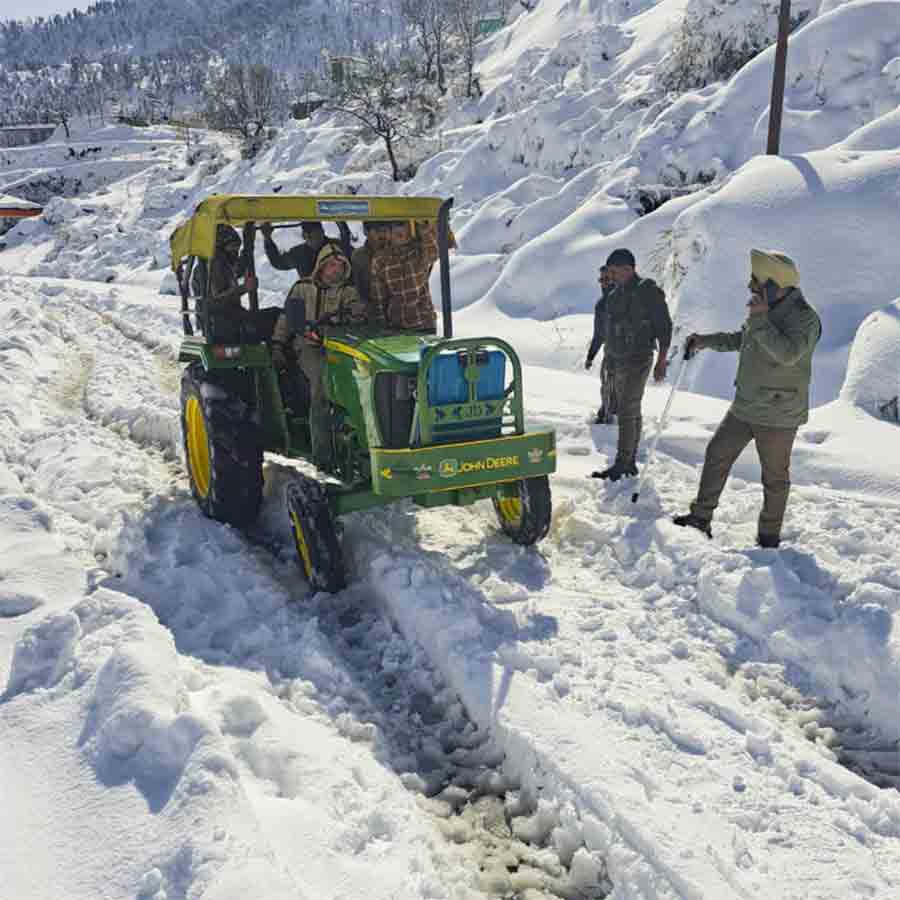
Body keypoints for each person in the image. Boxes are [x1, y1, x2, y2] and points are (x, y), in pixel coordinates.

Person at [673, 249, 822, 548]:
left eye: (756, 280)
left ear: (772, 284)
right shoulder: (765, 311)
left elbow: (788, 354)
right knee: (717, 453)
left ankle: (769, 538)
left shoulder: (805, 319)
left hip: (778, 414)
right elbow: (743, 340)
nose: (750, 285)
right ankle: (700, 518)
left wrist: (760, 319)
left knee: (774, 478)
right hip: (747, 406)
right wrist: (706, 341)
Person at [271, 244, 366, 469]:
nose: (336, 270)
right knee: (323, 384)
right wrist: (277, 345)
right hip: (308, 346)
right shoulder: (302, 288)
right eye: (332, 265)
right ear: (322, 265)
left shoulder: (348, 292)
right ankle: (323, 457)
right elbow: (287, 319)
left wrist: (358, 312)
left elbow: (358, 317)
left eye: (341, 266)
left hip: (340, 346)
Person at [586, 248, 672, 481]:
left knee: (627, 408)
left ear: (628, 269)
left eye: (614, 271)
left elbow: (664, 327)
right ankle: (628, 460)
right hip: (619, 360)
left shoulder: (648, 291)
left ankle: (624, 463)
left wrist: (662, 360)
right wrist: (609, 363)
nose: (610, 276)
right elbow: (609, 332)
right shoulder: (614, 296)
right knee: (630, 408)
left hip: (640, 358)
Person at [207, 224, 280, 341]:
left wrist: (249, 241)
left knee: (276, 316)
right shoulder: (215, 265)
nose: (235, 252)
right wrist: (245, 288)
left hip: (234, 318)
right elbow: (218, 299)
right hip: (226, 323)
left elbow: (241, 265)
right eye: (233, 248)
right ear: (221, 247)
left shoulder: (226, 263)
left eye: (237, 248)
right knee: (277, 317)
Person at [370, 220, 444, 332]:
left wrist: (424, 228)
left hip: (423, 322)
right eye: (393, 227)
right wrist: (382, 325)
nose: (398, 231)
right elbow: (379, 297)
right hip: (397, 325)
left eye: (402, 225)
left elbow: (433, 253)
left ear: (410, 228)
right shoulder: (381, 259)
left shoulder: (419, 251)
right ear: (388, 232)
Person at [586, 265, 618, 425]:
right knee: (606, 383)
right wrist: (591, 356)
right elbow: (598, 335)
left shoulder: (627, 298)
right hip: (610, 352)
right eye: (601, 280)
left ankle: (610, 417)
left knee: (616, 386)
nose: (604, 283)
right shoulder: (600, 306)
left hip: (628, 353)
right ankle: (607, 415)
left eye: (607, 279)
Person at [260, 221, 334, 279]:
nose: (312, 239)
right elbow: (278, 262)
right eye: (308, 236)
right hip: (312, 295)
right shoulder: (299, 253)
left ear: (322, 232)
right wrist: (267, 239)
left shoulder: (337, 247)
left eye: (315, 234)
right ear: (304, 236)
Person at [351, 220, 391, 309]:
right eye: (377, 230)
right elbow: (358, 291)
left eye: (385, 230)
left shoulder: (396, 251)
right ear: (366, 231)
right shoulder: (358, 257)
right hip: (371, 310)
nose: (382, 235)